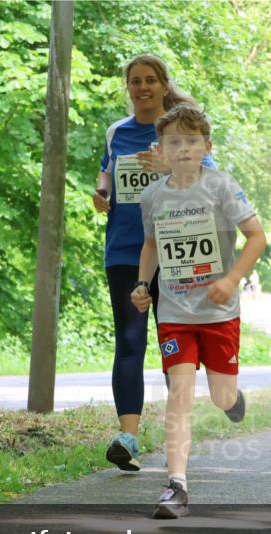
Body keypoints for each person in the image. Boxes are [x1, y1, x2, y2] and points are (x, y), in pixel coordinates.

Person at [131, 104, 266, 519]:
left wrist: (231, 280)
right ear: (162, 150)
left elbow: (257, 237)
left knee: (221, 396)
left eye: (192, 141)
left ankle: (230, 399)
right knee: (180, 396)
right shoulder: (153, 195)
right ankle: (176, 486)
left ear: (206, 146)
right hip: (174, 312)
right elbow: (152, 245)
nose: (184, 148)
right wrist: (141, 284)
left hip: (219, 313)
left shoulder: (222, 186)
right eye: (174, 141)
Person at [92, 54, 213, 472]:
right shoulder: (116, 132)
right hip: (127, 250)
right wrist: (101, 191)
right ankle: (128, 437)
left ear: (163, 85)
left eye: (149, 81)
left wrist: (170, 165)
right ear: (128, 87)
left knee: (174, 346)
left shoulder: (182, 127)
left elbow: (210, 178)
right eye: (134, 81)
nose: (142, 88)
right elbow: (107, 171)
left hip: (177, 252)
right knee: (129, 339)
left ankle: (176, 437)